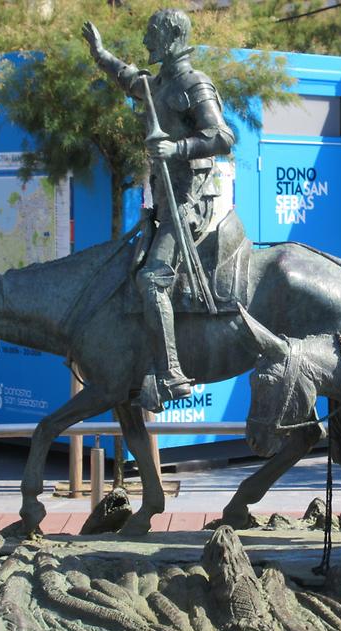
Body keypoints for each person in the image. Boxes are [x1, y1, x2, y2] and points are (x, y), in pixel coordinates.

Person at [83, 10, 235, 409]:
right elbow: (128, 76)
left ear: (171, 36)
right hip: (165, 204)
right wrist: (100, 54)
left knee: (151, 280)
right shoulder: (156, 86)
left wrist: (177, 148)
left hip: (189, 202)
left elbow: (222, 136)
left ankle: (172, 373)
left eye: (152, 33)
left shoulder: (194, 83)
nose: (147, 40)